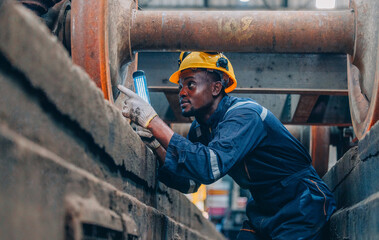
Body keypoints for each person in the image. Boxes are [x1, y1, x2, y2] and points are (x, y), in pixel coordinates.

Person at [118, 52, 336, 240]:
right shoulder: (201, 129)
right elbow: (191, 182)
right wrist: (157, 145)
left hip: (302, 202)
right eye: (180, 85)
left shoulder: (244, 115)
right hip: (264, 208)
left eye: (190, 84)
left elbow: (208, 166)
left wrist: (153, 122)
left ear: (215, 88)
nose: (182, 92)